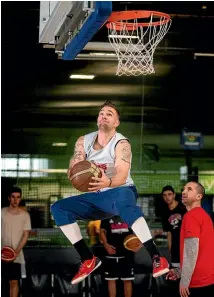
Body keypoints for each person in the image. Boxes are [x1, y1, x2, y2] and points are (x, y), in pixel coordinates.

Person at [51, 101, 169, 285]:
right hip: (96, 197)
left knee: (125, 205)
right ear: (98, 119)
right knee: (58, 208)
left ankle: (157, 257)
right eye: (101, 113)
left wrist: (109, 181)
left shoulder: (121, 143)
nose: (104, 115)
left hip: (120, 190)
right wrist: (74, 171)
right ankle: (87, 258)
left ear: (116, 123)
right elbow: (75, 165)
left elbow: (121, 175)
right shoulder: (84, 141)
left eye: (109, 114)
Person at [166, 181, 214, 297]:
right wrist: (179, 272)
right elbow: (200, 252)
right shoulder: (205, 216)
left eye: (189, 189)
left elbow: (191, 252)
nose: (184, 192)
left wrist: (184, 281)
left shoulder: (190, 216)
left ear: (199, 196)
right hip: (208, 280)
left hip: (196, 282)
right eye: (183, 189)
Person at [1, 186, 32, 297]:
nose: (15, 200)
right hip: (1, 254)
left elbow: (25, 235)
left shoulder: (25, 215)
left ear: (20, 198)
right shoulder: (2, 213)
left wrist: (16, 252)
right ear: (9, 198)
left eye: (18, 197)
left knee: (14, 282)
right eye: (13, 197)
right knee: (4, 283)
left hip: (17, 255)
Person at [100, 216, 136, 297]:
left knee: (127, 280)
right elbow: (102, 231)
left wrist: (138, 244)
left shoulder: (129, 212)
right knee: (111, 280)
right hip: (111, 253)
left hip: (127, 254)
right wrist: (106, 245)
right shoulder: (106, 213)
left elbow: (139, 230)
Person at [161, 185, 187, 268]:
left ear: (174, 195)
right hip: (175, 248)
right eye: (165, 195)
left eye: (169, 194)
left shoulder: (183, 208)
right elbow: (169, 233)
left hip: (186, 245)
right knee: (176, 274)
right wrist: (170, 250)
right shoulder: (165, 212)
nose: (167, 197)